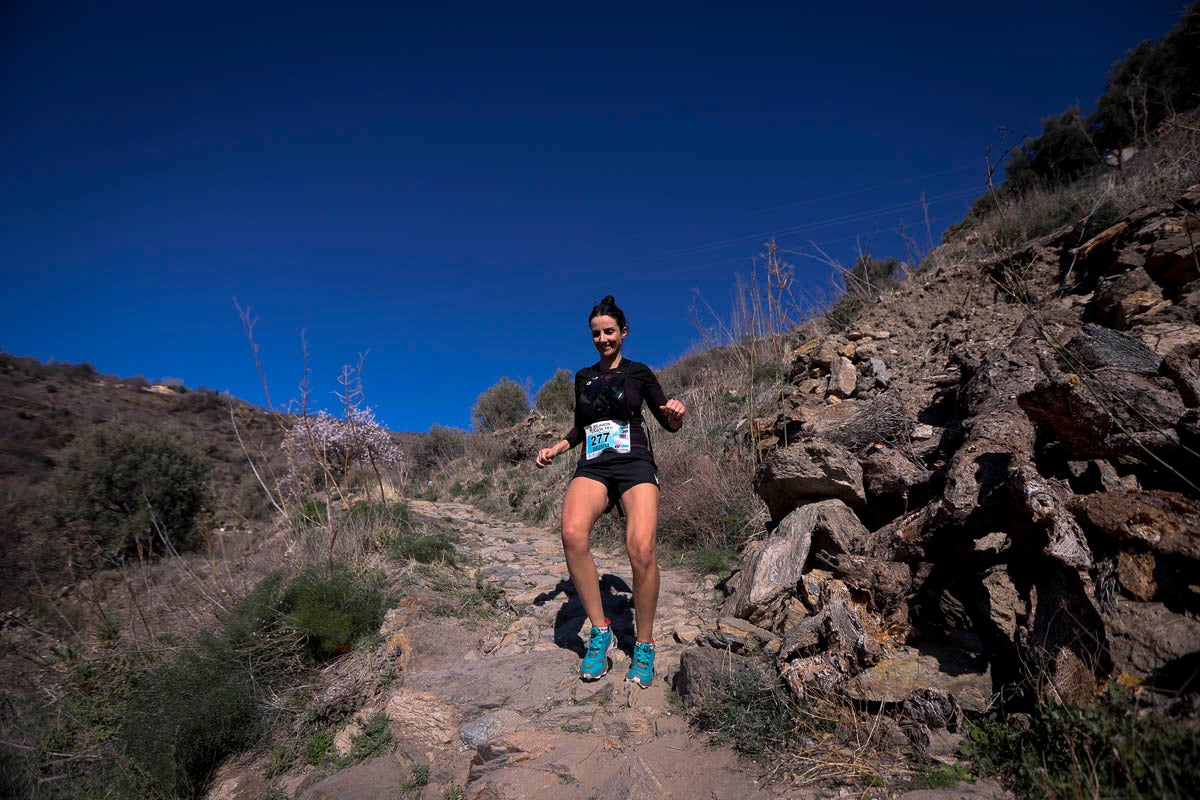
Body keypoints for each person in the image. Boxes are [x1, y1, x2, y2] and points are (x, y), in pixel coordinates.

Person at [535, 295, 686, 686]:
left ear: (623, 332)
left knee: (642, 548)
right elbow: (580, 427)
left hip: (635, 462)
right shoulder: (582, 377)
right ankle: (600, 630)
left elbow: (666, 419)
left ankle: (645, 644)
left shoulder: (639, 372)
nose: (603, 339)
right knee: (572, 533)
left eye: (610, 332)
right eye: (596, 334)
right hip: (594, 464)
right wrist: (556, 448)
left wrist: (674, 416)